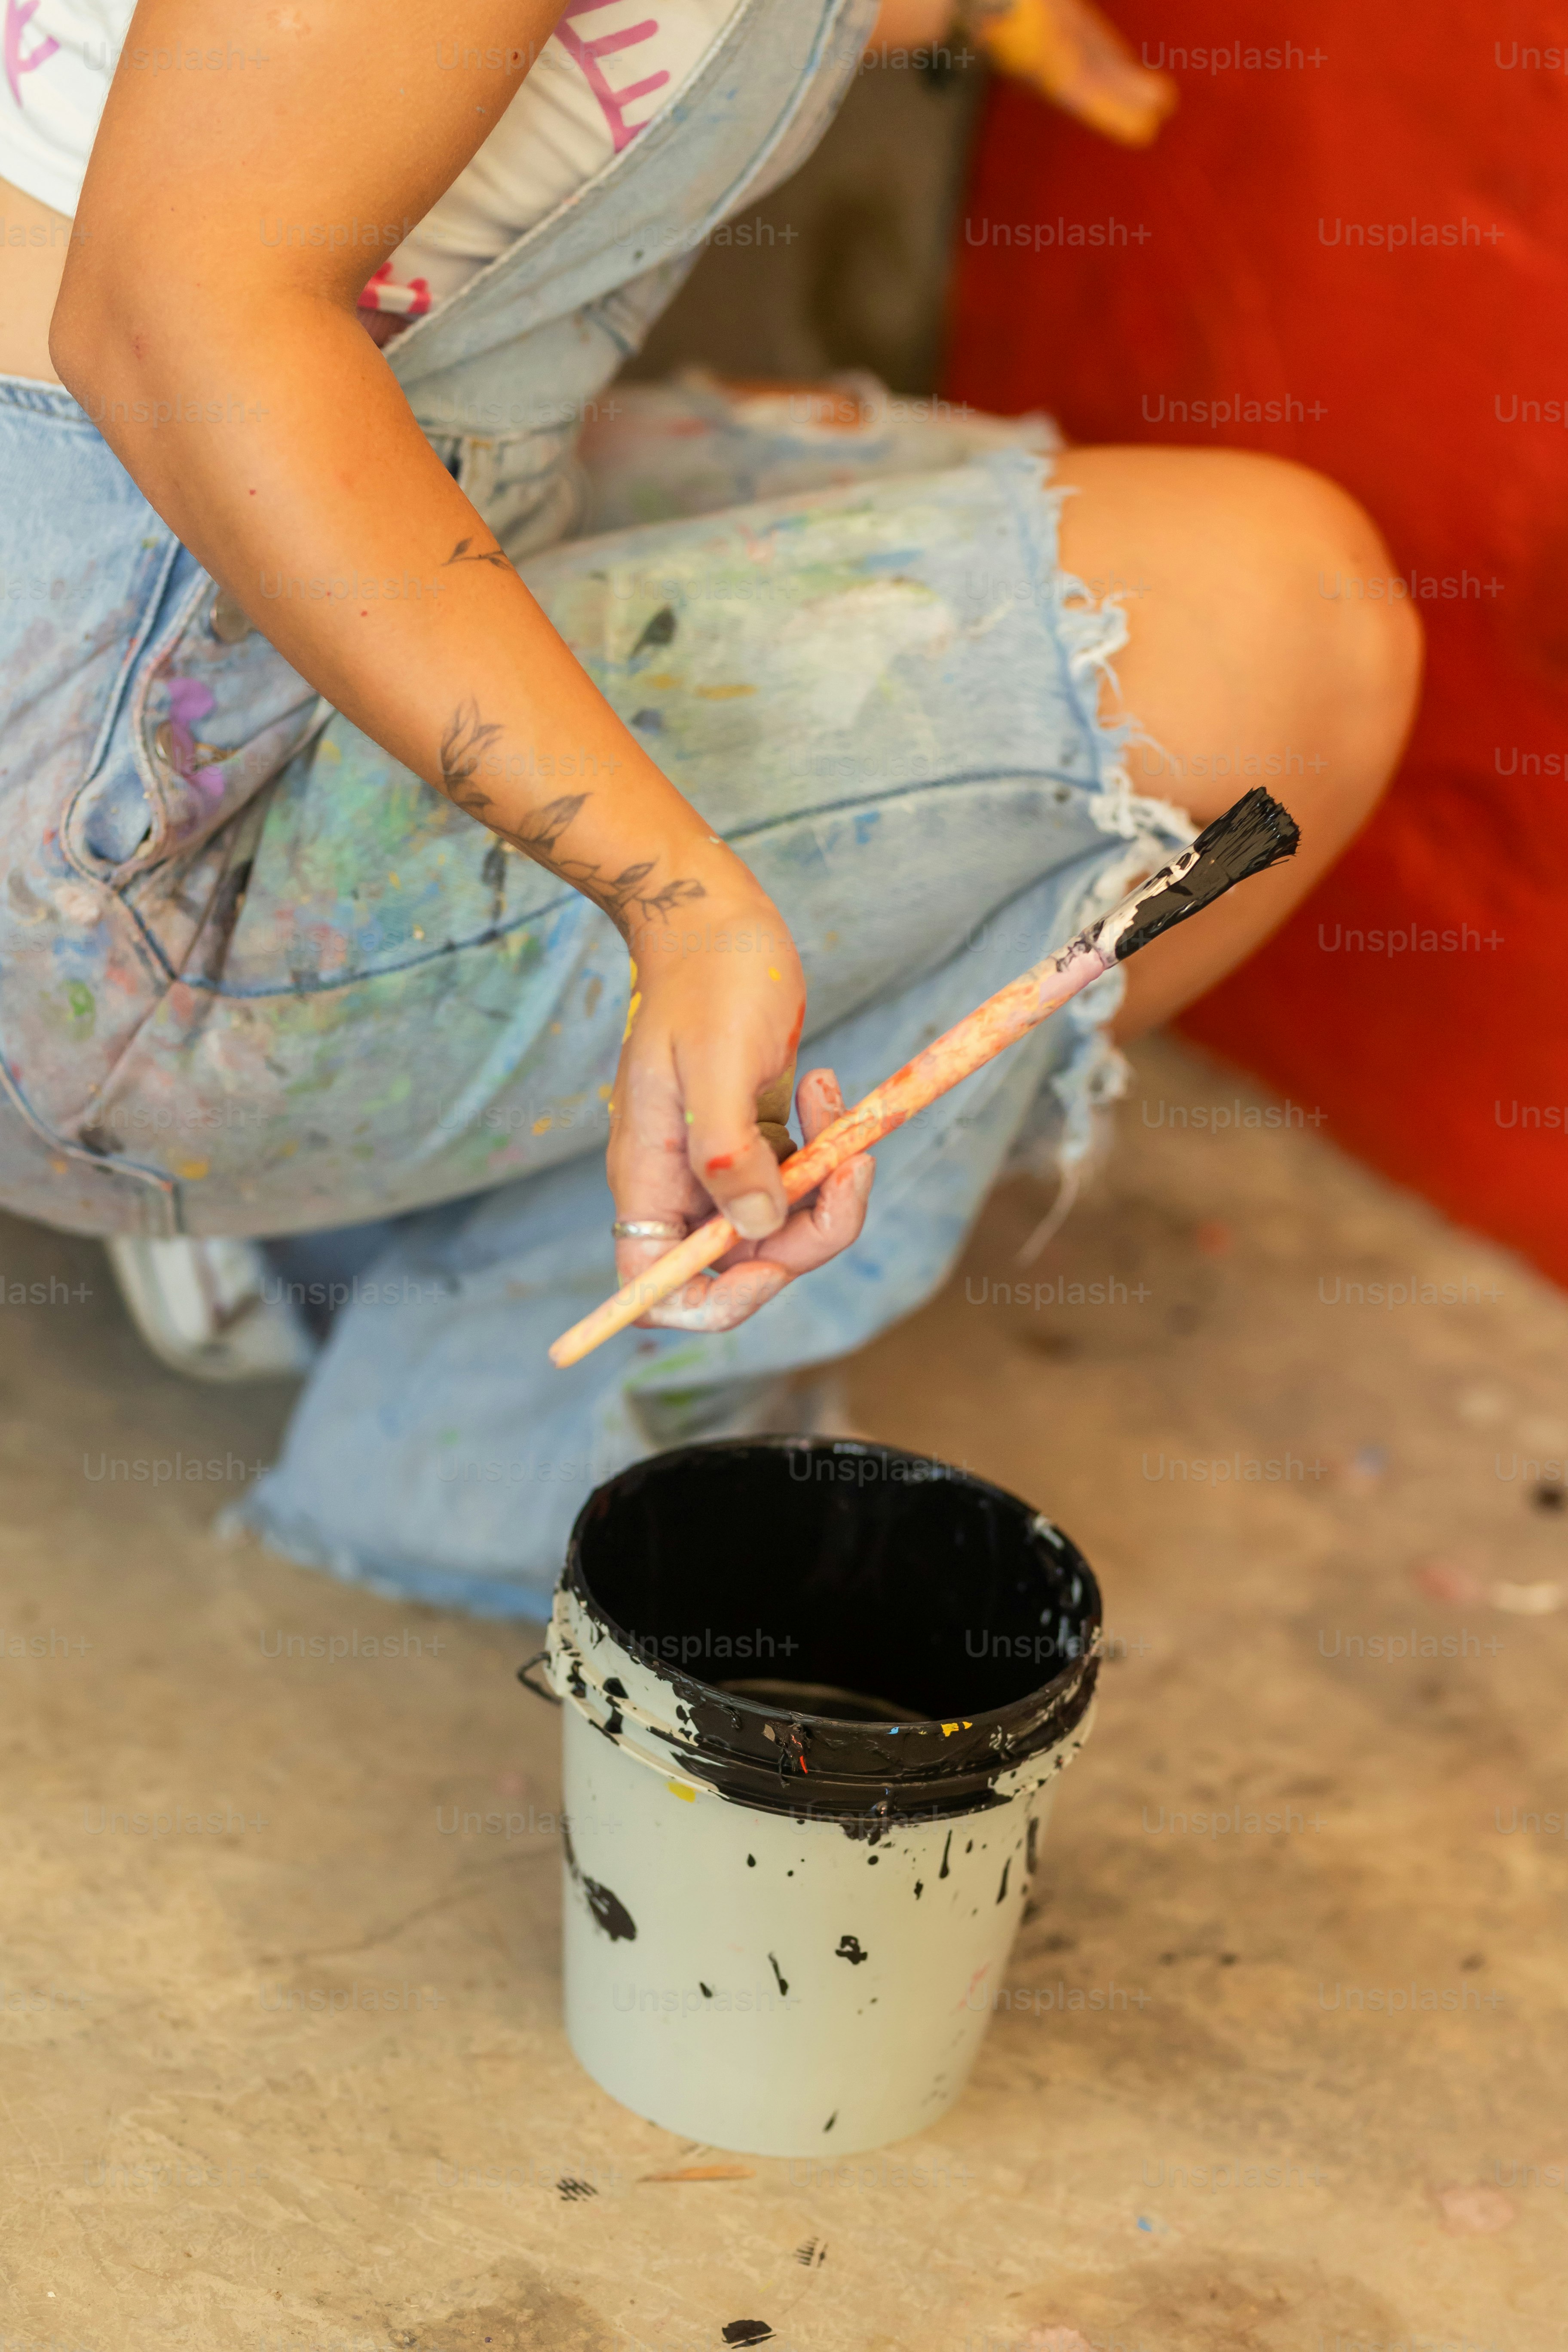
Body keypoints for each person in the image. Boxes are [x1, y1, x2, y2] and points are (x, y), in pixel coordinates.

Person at [0, 0, 1420, 1612]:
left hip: (128, 615)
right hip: (114, 852)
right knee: (1275, 636)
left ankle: (360, 1206)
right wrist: (670, 889)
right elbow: (173, 310)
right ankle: (474, 1423)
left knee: (962, 491)